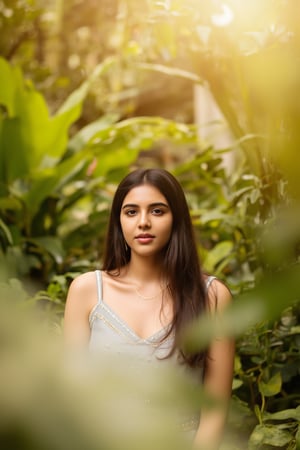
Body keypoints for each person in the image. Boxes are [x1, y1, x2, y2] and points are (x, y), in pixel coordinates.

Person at [64, 168, 235, 449]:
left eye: (157, 211)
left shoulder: (212, 297)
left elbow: (214, 411)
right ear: (118, 221)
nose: (143, 222)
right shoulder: (86, 291)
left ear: (176, 218)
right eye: (131, 212)